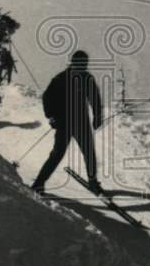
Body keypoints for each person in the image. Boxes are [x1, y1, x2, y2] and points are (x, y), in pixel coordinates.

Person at [32, 50, 103, 194]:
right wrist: (51, 116)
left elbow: (95, 98)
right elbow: (47, 97)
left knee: (89, 153)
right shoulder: (61, 78)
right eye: (82, 63)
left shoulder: (86, 78)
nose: (84, 66)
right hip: (64, 124)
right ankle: (39, 183)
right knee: (58, 154)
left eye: (85, 63)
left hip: (81, 123)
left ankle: (93, 181)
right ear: (74, 62)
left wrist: (97, 117)